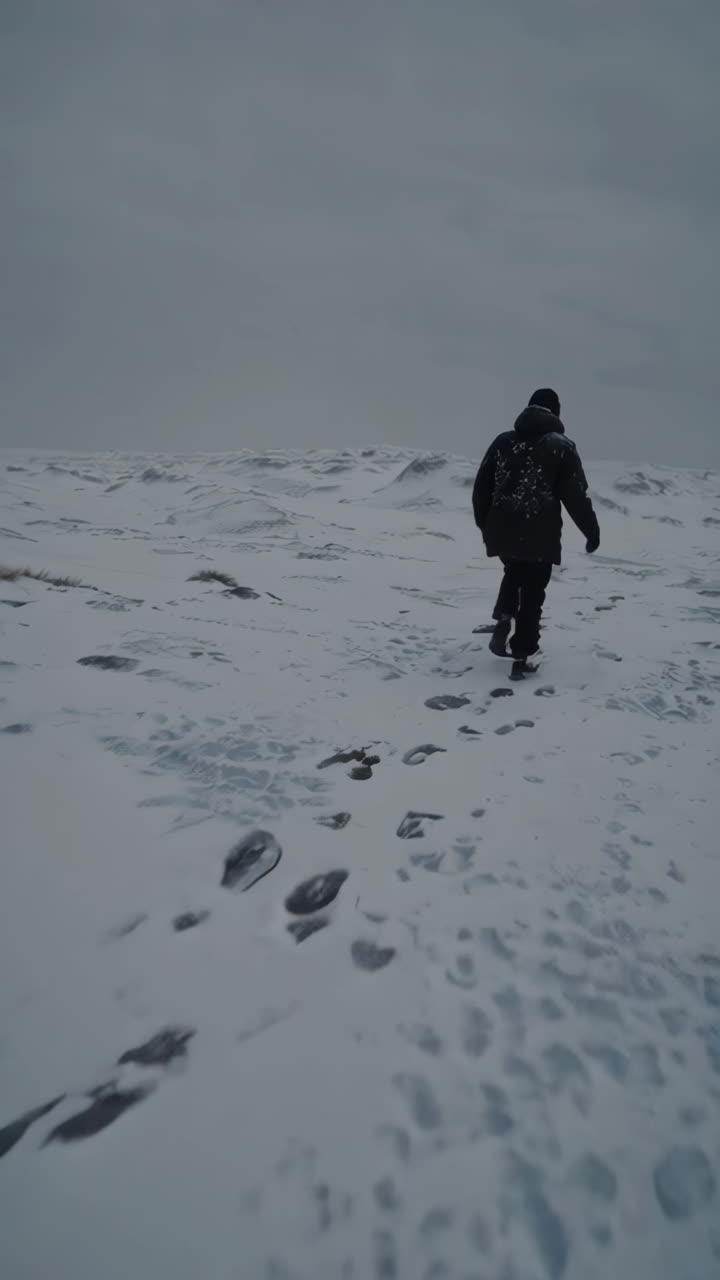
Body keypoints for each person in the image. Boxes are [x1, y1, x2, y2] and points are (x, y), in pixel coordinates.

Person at [472, 388, 600, 664]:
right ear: (556, 412)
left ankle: (505, 616)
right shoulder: (561, 446)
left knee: (514, 570)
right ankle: (522, 652)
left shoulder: (503, 441)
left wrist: (485, 524)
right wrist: (591, 532)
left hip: (501, 527)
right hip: (539, 532)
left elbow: (481, 486)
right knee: (532, 590)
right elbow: (576, 496)